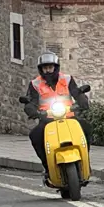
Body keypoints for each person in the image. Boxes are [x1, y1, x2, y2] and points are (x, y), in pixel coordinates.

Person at [23, 52, 91, 181]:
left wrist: (82, 100)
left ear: (56, 67)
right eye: (45, 68)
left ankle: (85, 158)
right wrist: (31, 109)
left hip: (69, 116)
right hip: (47, 119)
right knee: (35, 135)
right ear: (41, 69)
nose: (48, 70)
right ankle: (47, 167)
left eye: (50, 67)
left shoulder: (67, 79)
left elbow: (76, 92)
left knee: (86, 128)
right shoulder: (35, 84)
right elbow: (31, 101)